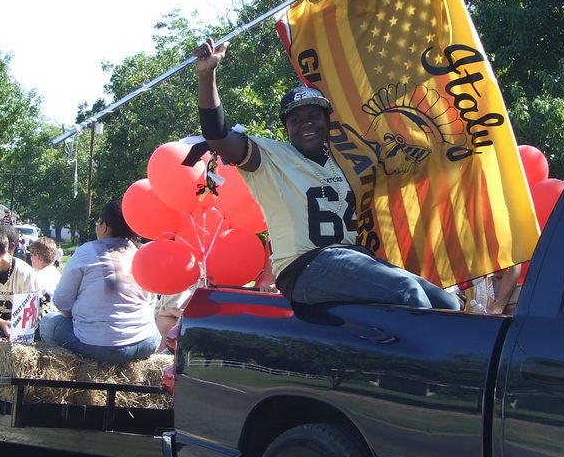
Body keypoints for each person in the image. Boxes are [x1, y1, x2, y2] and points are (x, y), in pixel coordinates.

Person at [193, 37, 459, 309]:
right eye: (296, 120)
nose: (306, 124)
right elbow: (218, 137)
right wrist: (208, 75)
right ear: (287, 129)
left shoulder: (345, 160)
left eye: (313, 117)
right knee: (406, 293)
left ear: (327, 122)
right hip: (304, 266)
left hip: (351, 259)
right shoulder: (270, 157)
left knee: (448, 304)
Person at [38, 201, 159, 364]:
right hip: (147, 341)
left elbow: (62, 302)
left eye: (97, 223)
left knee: (47, 323)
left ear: (105, 226)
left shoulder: (86, 251)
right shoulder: (140, 254)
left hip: (102, 347)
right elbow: (151, 302)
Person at [29, 236, 62, 310]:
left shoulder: (33, 278)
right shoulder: (61, 277)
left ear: (37, 257)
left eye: (31, 255)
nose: (30, 258)